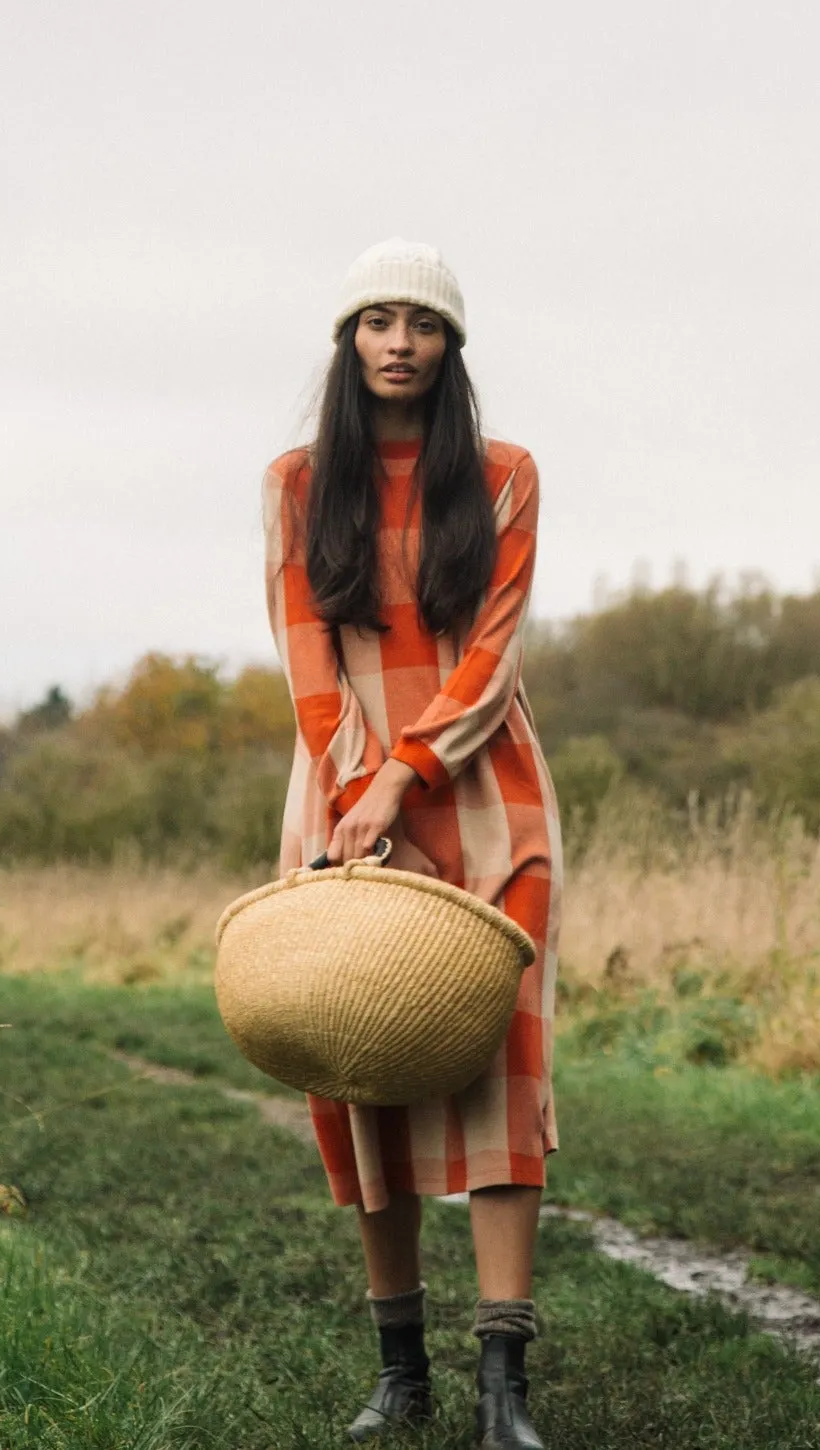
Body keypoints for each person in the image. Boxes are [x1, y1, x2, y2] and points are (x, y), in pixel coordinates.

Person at [263, 238, 561, 1450]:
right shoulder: (294, 480)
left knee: (500, 1057)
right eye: (377, 321)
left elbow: (492, 653)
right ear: (348, 341)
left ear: (450, 347)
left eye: (422, 324)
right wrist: (356, 784)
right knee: (356, 1053)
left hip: (485, 792)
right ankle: (402, 1372)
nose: (400, 342)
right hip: (339, 792)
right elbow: (304, 648)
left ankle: (503, 1386)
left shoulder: (503, 472)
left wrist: (407, 772)